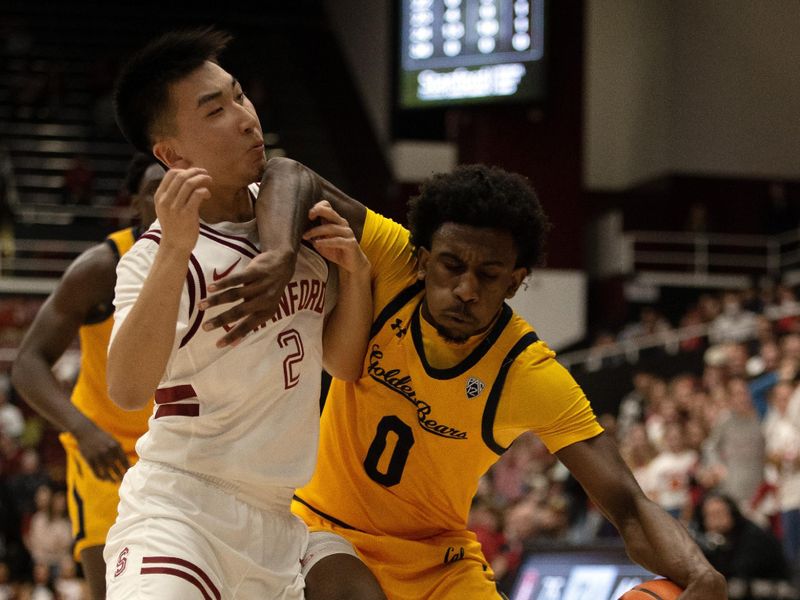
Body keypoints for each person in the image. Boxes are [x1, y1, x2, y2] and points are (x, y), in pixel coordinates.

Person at [202, 159, 727, 598]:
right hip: (321, 529)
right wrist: (279, 253)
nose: (466, 288)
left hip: (438, 558)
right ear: (425, 259)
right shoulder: (392, 259)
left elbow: (627, 505)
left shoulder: (529, 373)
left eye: (489, 274)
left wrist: (703, 576)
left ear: (516, 281)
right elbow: (288, 173)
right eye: (451, 266)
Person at [102, 28, 383, 599]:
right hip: (181, 512)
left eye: (239, 96)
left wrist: (355, 276)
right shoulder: (155, 257)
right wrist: (176, 249)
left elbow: (344, 364)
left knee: (359, 591)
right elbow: (128, 389)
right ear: (172, 154)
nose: (245, 118)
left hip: (281, 518)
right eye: (215, 111)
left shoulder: (293, 224)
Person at [11, 152, 163, 599]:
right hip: (108, 450)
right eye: (156, 188)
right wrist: (83, 429)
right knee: (111, 589)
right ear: (137, 202)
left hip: (180, 446)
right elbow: (28, 363)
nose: (170, 195)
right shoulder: (102, 266)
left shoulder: (218, 257)